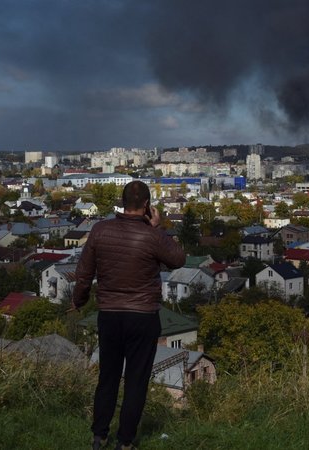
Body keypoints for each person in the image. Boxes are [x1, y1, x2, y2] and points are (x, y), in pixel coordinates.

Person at [72, 180, 185, 450]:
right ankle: (125, 441)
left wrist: (79, 300)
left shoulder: (100, 230)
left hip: (109, 315)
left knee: (108, 377)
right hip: (143, 317)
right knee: (136, 380)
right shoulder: (152, 235)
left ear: (122, 203)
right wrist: (158, 228)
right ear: (147, 205)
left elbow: (84, 274)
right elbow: (178, 259)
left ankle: (99, 436)